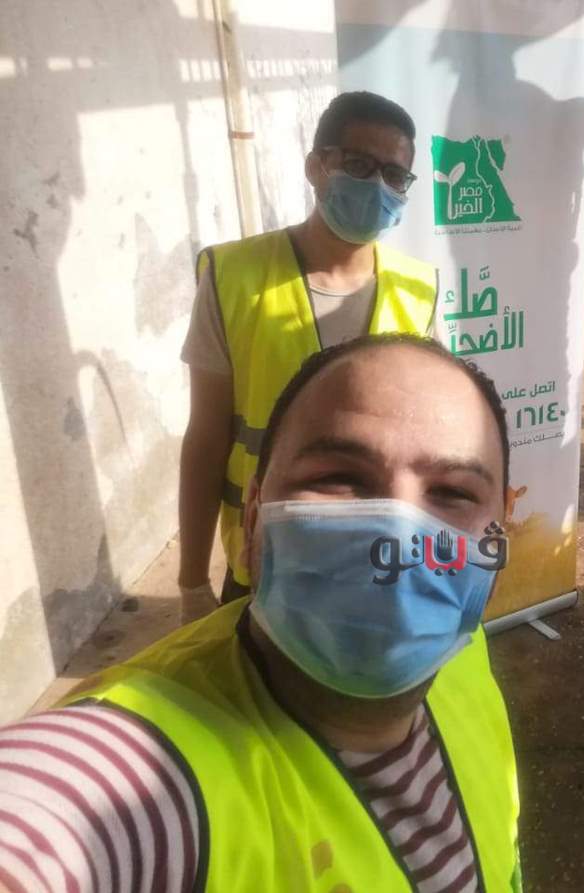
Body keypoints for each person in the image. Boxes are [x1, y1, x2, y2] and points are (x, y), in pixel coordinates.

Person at [0, 335, 521, 892]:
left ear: (501, 536)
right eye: (338, 478)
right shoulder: (139, 779)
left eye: (453, 492)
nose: (395, 537)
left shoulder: (465, 653)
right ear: (253, 521)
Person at [179, 91, 439, 613]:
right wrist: (191, 583)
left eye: (394, 175)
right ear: (316, 167)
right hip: (264, 561)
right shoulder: (234, 277)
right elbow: (206, 438)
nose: (377, 185)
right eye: (359, 165)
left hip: (378, 564)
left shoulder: (419, 288)